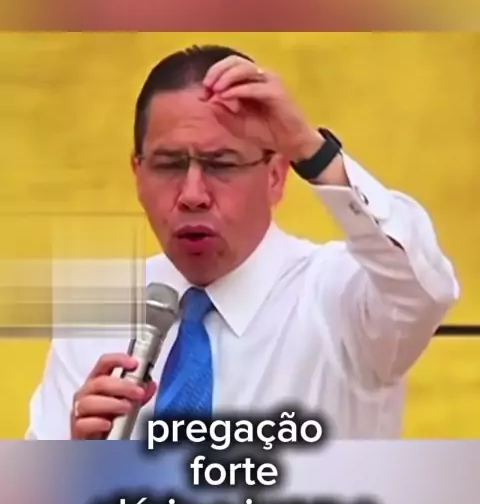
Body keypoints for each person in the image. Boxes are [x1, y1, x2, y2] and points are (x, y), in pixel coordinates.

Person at [27, 45, 459, 440]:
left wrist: (311, 149)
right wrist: (79, 463)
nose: (192, 194)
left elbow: (426, 288)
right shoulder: (99, 315)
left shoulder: (340, 297)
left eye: (221, 164)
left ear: (276, 176)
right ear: (137, 175)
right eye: (169, 165)